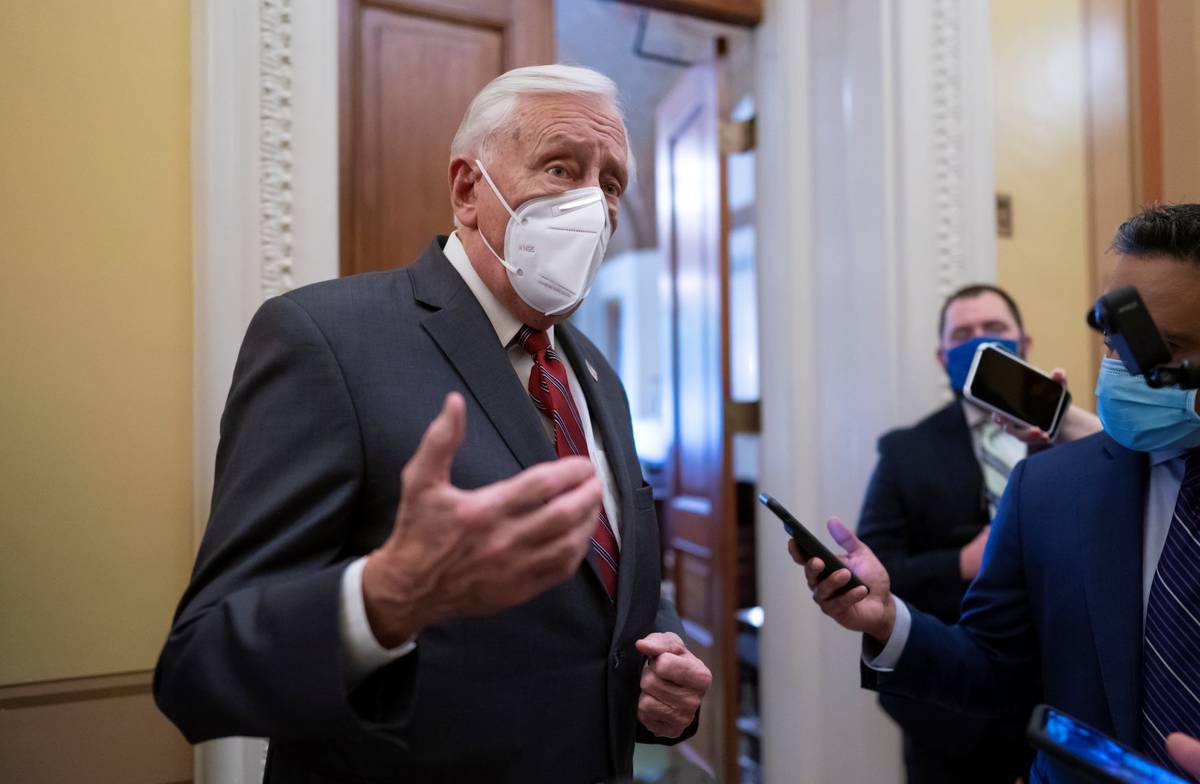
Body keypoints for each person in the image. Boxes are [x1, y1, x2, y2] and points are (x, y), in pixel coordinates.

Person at [154, 64, 711, 783]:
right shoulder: (325, 339)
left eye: (609, 184)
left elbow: (603, 583)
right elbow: (200, 668)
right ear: (468, 190)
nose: (592, 208)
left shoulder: (597, 373)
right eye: (559, 167)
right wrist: (384, 597)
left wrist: (662, 681)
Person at [793, 203, 1200, 783]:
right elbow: (993, 666)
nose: (1125, 369)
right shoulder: (1050, 489)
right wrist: (887, 620)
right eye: (1115, 344)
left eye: (1159, 347)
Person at [856, 284, 1044, 783]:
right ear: (943, 357)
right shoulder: (905, 451)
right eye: (963, 334)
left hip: (1060, 712)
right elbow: (875, 571)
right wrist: (959, 563)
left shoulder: (1068, 440)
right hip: (946, 721)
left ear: (1024, 343)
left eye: (995, 330)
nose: (981, 344)